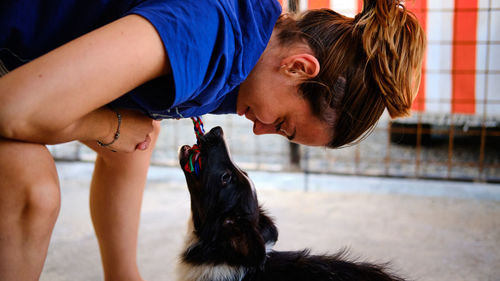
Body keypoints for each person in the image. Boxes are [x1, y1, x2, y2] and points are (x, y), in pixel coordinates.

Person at [0, 0, 425, 280]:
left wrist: (122, 129)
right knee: (33, 191)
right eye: (283, 125)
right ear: (298, 68)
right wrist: (107, 127)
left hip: (23, 56)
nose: (261, 130)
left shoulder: (251, 44)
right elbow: (12, 109)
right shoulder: (211, 34)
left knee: (136, 144)